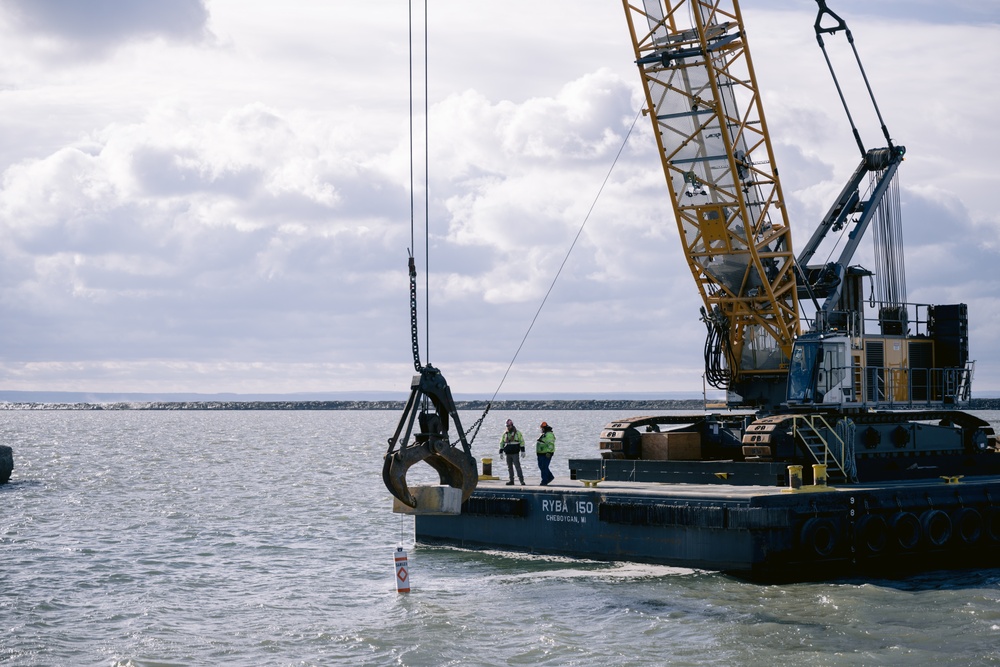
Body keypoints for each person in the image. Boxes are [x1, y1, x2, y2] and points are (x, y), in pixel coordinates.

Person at [498, 419, 525, 486]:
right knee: (509, 467)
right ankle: (511, 480)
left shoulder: (518, 433)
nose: (508, 427)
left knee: (517, 466)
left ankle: (521, 481)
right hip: (508, 453)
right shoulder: (505, 434)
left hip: (515, 452)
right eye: (507, 426)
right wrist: (501, 452)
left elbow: (521, 441)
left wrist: (523, 450)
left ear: (512, 425)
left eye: (509, 425)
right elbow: (502, 442)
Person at [536, 421, 556, 486]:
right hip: (541, 453)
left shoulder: (549, 435)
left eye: (542, 428)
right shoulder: (544, 434)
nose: (541, 430)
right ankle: (550, 477)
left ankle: (544, 480)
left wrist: (549, 452)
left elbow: (550, 444)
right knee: (542, 466)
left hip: (546, 453)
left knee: (544, 467)